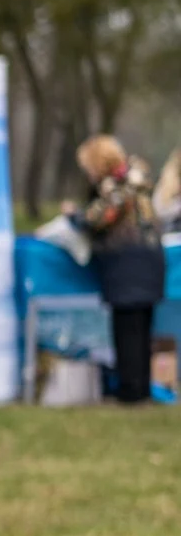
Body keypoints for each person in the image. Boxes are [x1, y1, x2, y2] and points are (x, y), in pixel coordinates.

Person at [74, 135, 165, 403]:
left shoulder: (116, 187)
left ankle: (131, 393)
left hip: (127, 263)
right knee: (142, 329)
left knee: (127, 330)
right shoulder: (138, 177)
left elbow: (98, 218)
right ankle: (142, 390)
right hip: (149, 259)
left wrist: (77, 216)